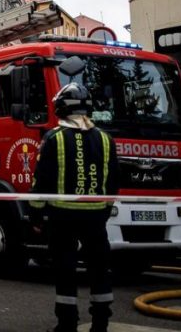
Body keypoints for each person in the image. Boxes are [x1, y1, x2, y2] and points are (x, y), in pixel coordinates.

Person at [30, 82, 119, 332]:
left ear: (61, 109)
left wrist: (35, 213)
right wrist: (105, 209)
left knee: (65, 271)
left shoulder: (54, 138)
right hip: (95, 219)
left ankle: (67, 324)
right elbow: (113, 180)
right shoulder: (105, 139)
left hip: (62, 218)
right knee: (99, 270)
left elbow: (41, 180)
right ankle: (100, 324)